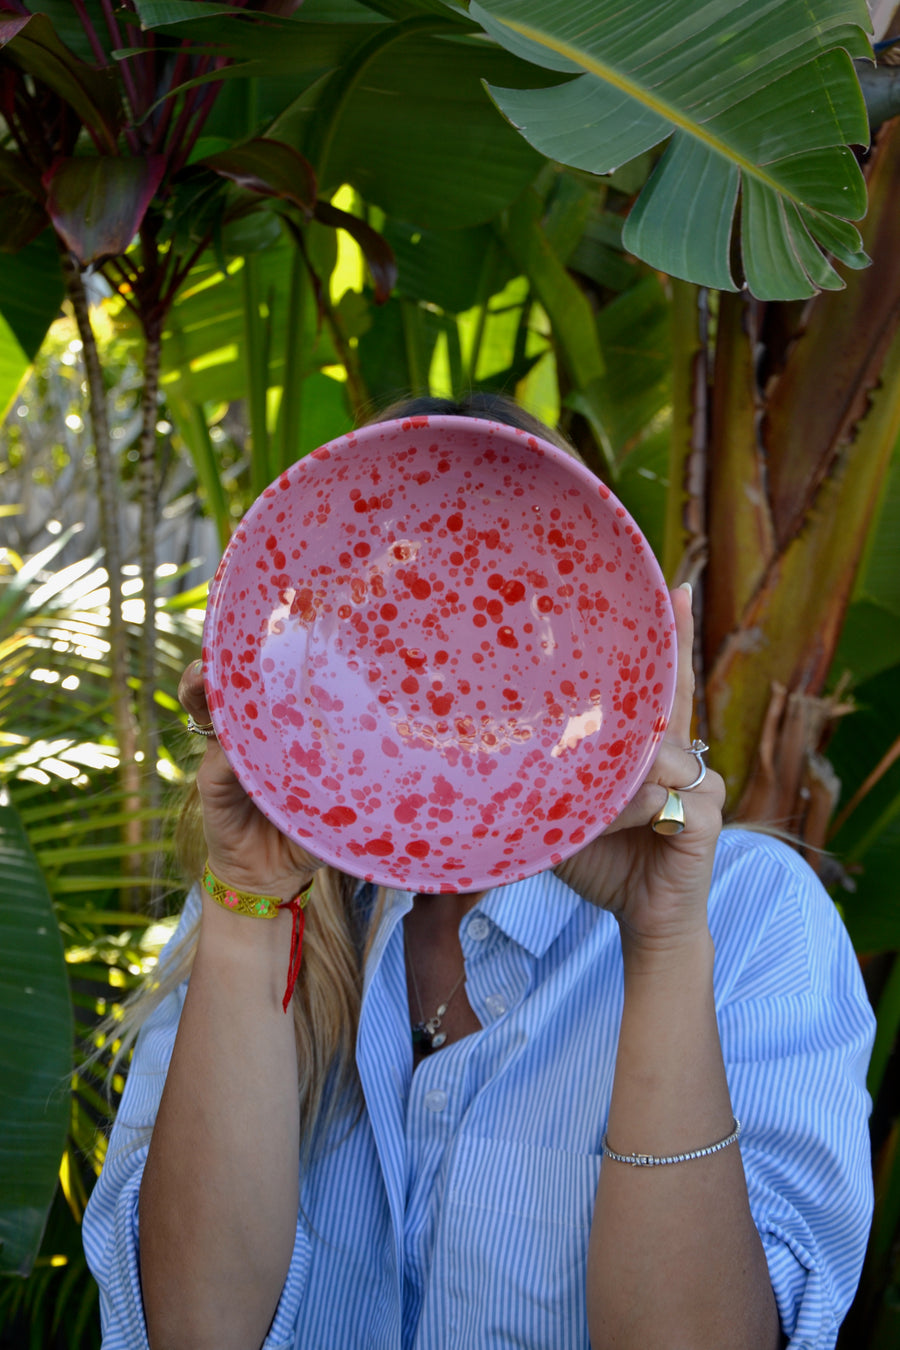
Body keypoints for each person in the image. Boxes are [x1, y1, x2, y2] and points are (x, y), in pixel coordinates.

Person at [83, 396, 874, 1350]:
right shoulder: (267, 905)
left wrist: (662, 941)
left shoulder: (744, 914)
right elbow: (195, 1330)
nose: (448, 664)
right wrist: (251, 900)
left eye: (504, 618)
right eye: (395, 619)